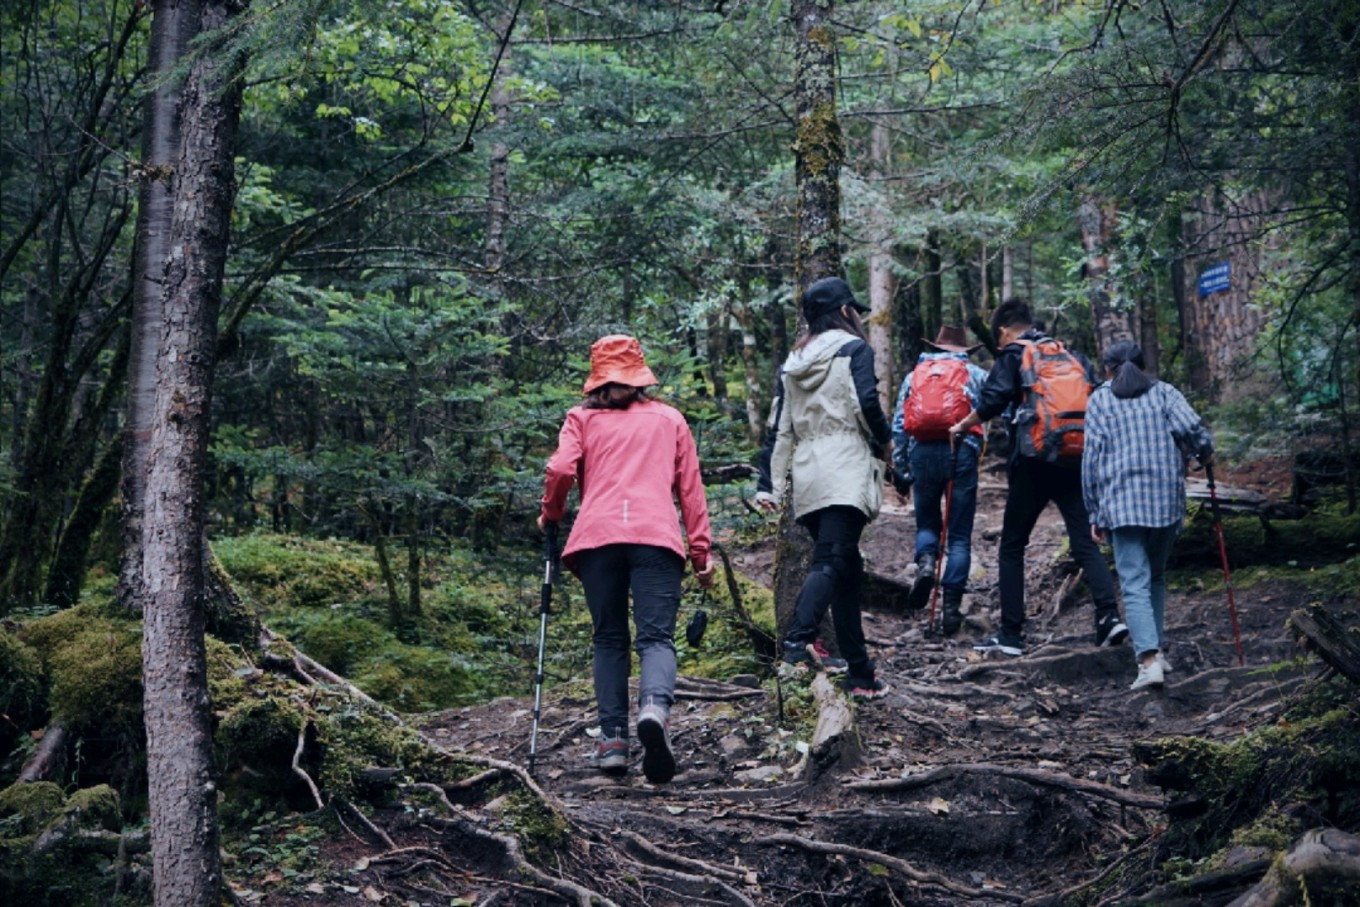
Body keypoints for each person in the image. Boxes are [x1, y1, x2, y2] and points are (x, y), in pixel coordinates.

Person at [539, 334, 715, 783]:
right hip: (655, 538)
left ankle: (613, 741)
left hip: (597, 539)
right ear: (639, 376)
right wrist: (700, 552)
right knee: (656, 639)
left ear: (597, 377)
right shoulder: (670, 419)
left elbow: (559, 470)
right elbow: (690, 488)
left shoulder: (581, 419)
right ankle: (654, 710)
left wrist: (550, 514)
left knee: (609, 639)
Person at [948, 298, 1127, 656]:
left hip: (1033, 462)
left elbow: (994, 399)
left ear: (1002, 330)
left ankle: (1011, 634)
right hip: (1075, 457)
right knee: (1084, 543)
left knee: (1012, 545)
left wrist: (963, 424)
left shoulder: (1013, 354)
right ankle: (1109, 618)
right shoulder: (1069, 354)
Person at [755, 276, 893, 700]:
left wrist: (769, 485)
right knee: (832, 561)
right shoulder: (854, 350)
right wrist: (888, 451)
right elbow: (867, 405)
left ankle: (860, 673)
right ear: (845, 311)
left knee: (847, 573)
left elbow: (778, 429)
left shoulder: (793, 363)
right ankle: (797, 641)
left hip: (810, 472)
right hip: (846, 465)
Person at [1083, 341, 1213, 690]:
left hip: (1120, 503)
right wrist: (1206, 455)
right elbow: (1195, 430)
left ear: (1108, 368)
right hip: (1164, 501)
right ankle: (1155, 652)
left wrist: (1093, 510)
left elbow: (1091, 461)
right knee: (1154, 577)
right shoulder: (1165, 393)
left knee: (1134, 582)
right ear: (1143, 364)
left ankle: (1149, 661)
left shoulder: (1099, 400)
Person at [890, 325, 989, 634]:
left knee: (928, 524)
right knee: (958, 535)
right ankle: (950, 609)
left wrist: (901, 470)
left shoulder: (915, 375)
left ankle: (927, 563)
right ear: (962, 350)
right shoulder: (974, 374)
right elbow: (995, 407)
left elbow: (899, 425)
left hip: (922, 453)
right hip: (961, 451)